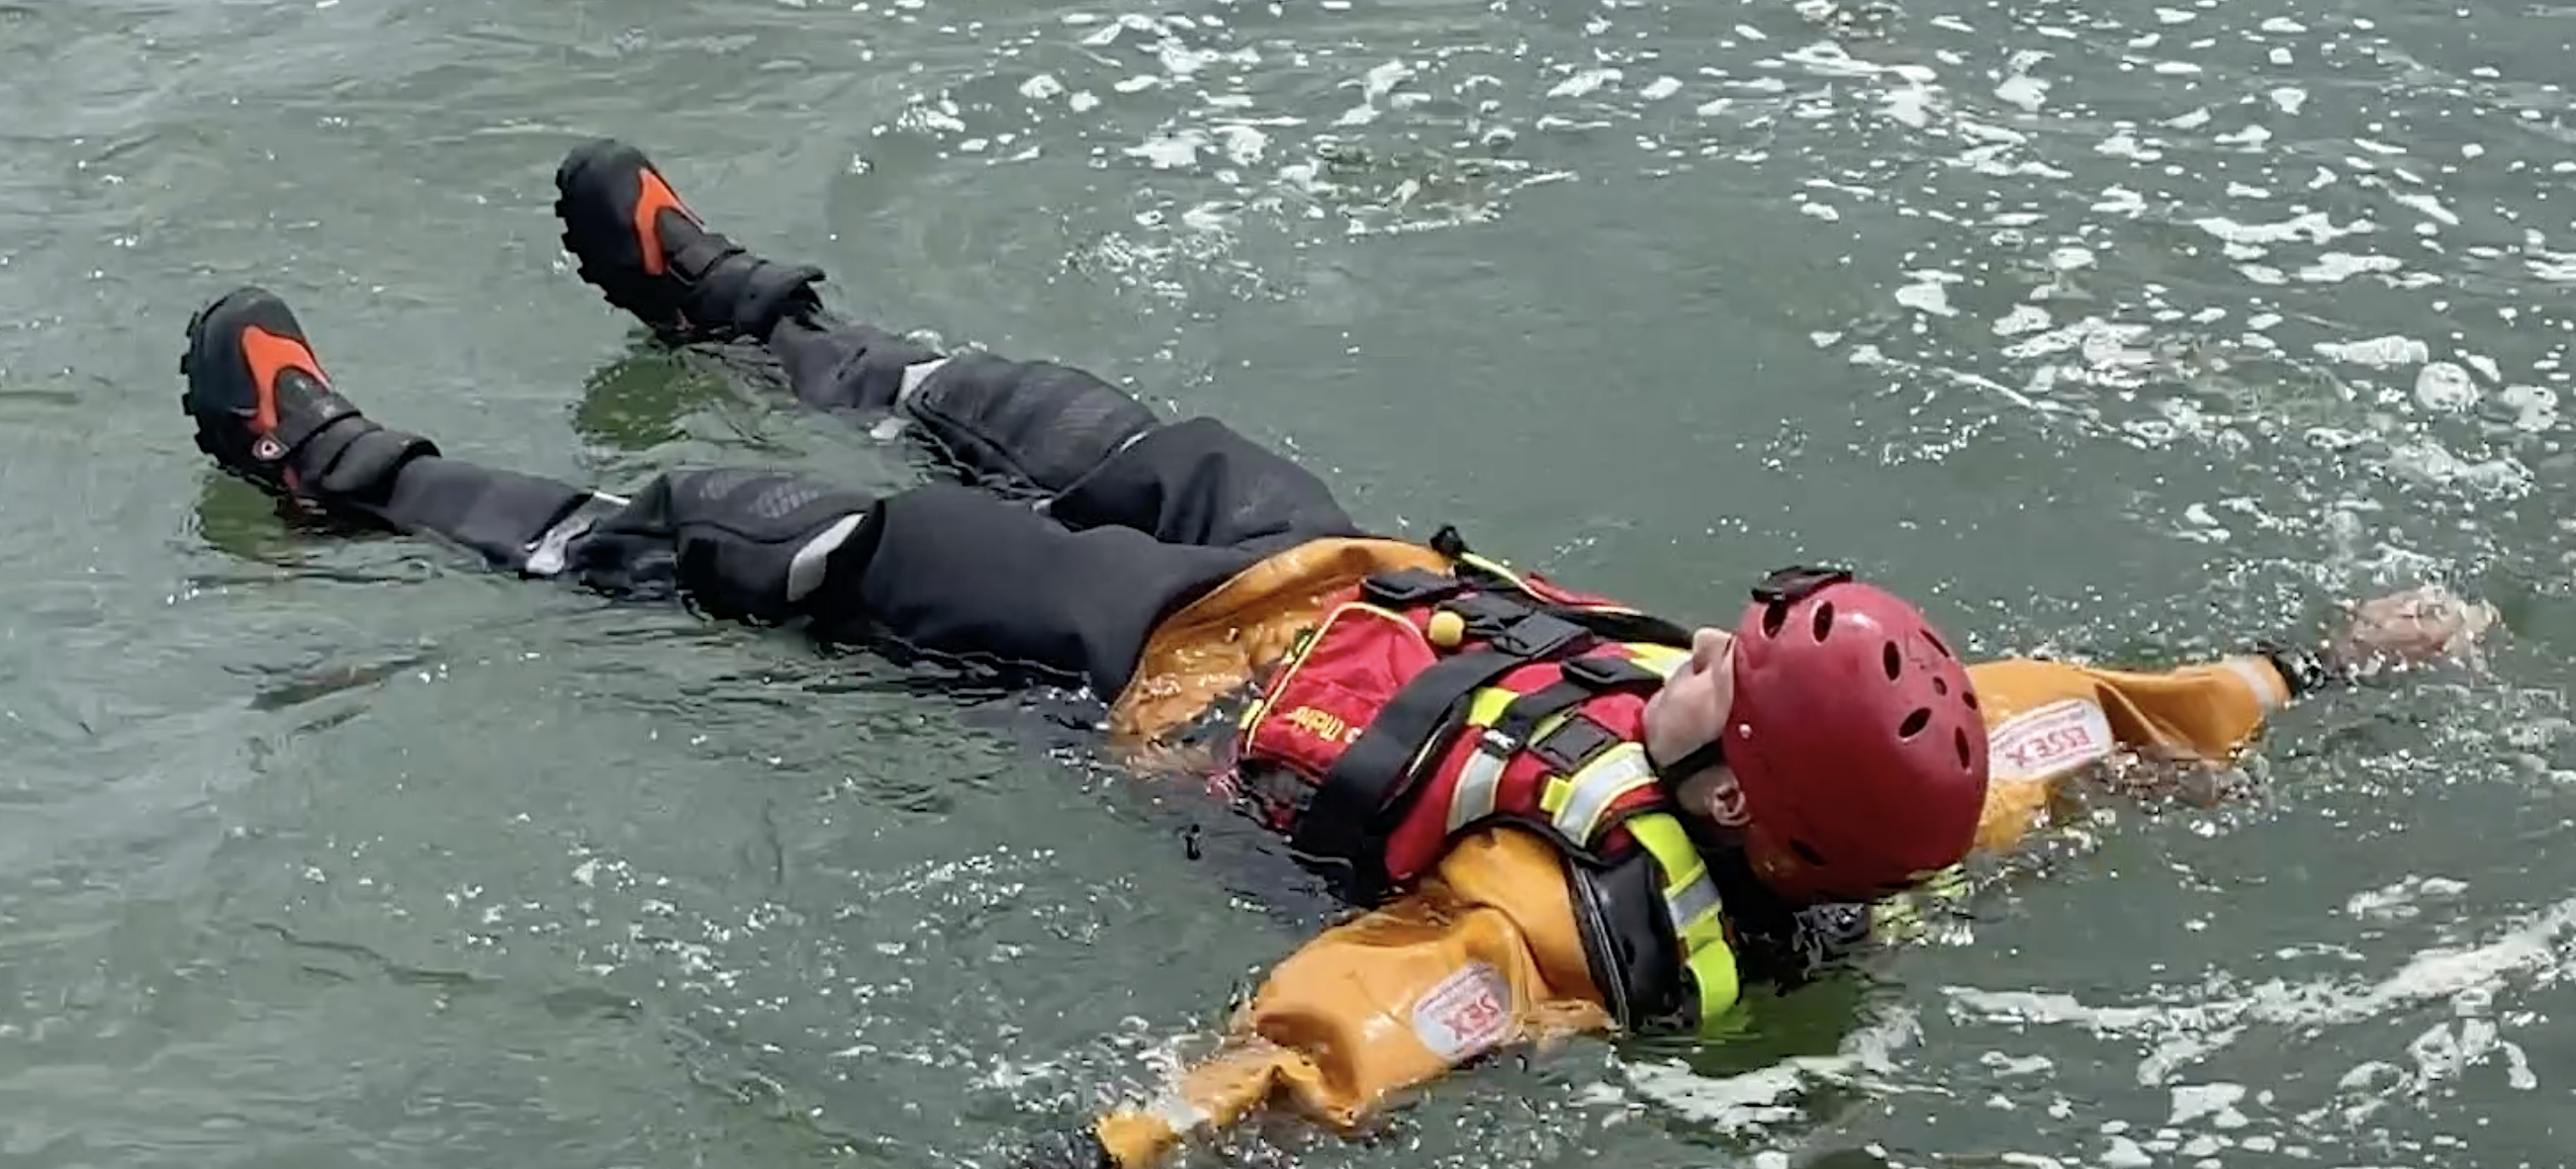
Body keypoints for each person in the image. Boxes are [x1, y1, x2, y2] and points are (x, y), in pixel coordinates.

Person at [176, 137, 2498, 1168]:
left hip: (1172, 683)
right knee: (1052, 414)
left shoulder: (1533, 924)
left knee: (774, 540)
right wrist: (2335, 659)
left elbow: (1340, 1043)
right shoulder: (1926, 770)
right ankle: (735, 309)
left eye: (1733, 670)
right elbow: (2113, 717)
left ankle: (344, 476)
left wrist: (1144, 1135)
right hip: (1344, 574)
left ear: (1726, 792)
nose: (1713, 648)